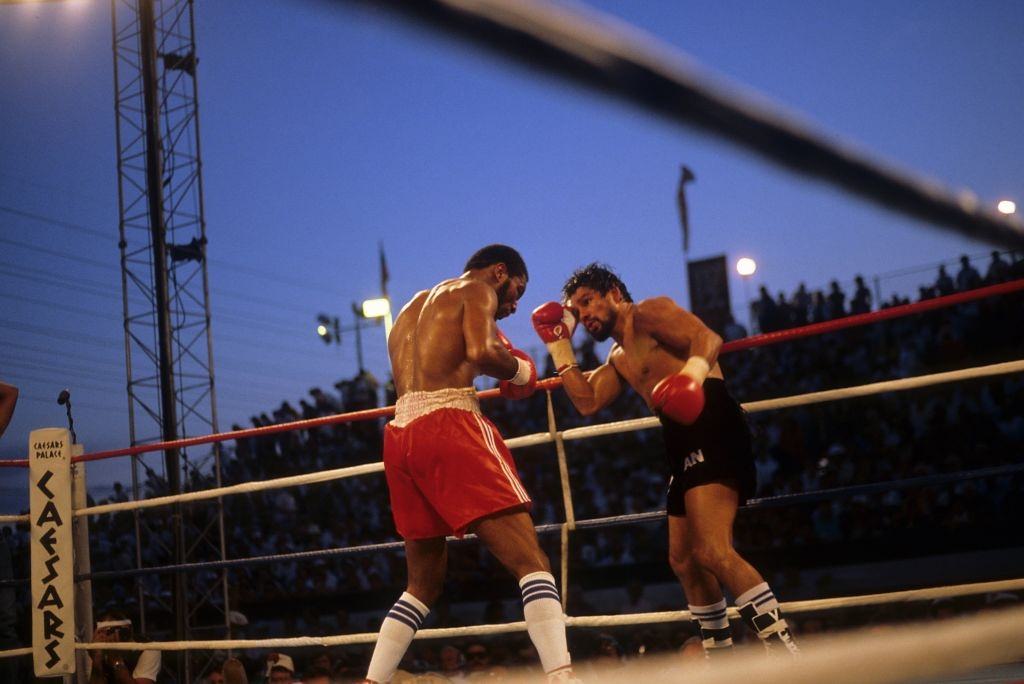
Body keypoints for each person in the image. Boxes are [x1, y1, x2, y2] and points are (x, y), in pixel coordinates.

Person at [532, 263, 799, 660]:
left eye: (588, 301)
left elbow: (707, 338)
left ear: (614, 294)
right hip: (679, 439)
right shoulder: (619, 356)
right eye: (576, 309)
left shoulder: (648, 312)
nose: (583, 314)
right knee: (684, 561)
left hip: (710, 420)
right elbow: (587, 401)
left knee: (713, 550)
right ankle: (720, 658)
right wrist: (559, 347)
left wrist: (690, 376)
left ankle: (786, 651)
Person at [364, 245, 577, 683]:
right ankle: (562, 676)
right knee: (532, 561)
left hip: (401, 437)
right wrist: (521, 371)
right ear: (499, 272)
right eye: (516, 291)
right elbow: (481, 352)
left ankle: (372, 681)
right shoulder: (476, 291)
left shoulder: (409, 309)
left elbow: (440, 361)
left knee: (421, 585)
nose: (513, 306)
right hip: (449, 423)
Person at [87, 611, 161, 683]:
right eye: (110, 631)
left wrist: (116, 660)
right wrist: (96, 661)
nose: (119, 634)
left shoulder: (148, 648)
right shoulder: (99, 650)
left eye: (122, 630)